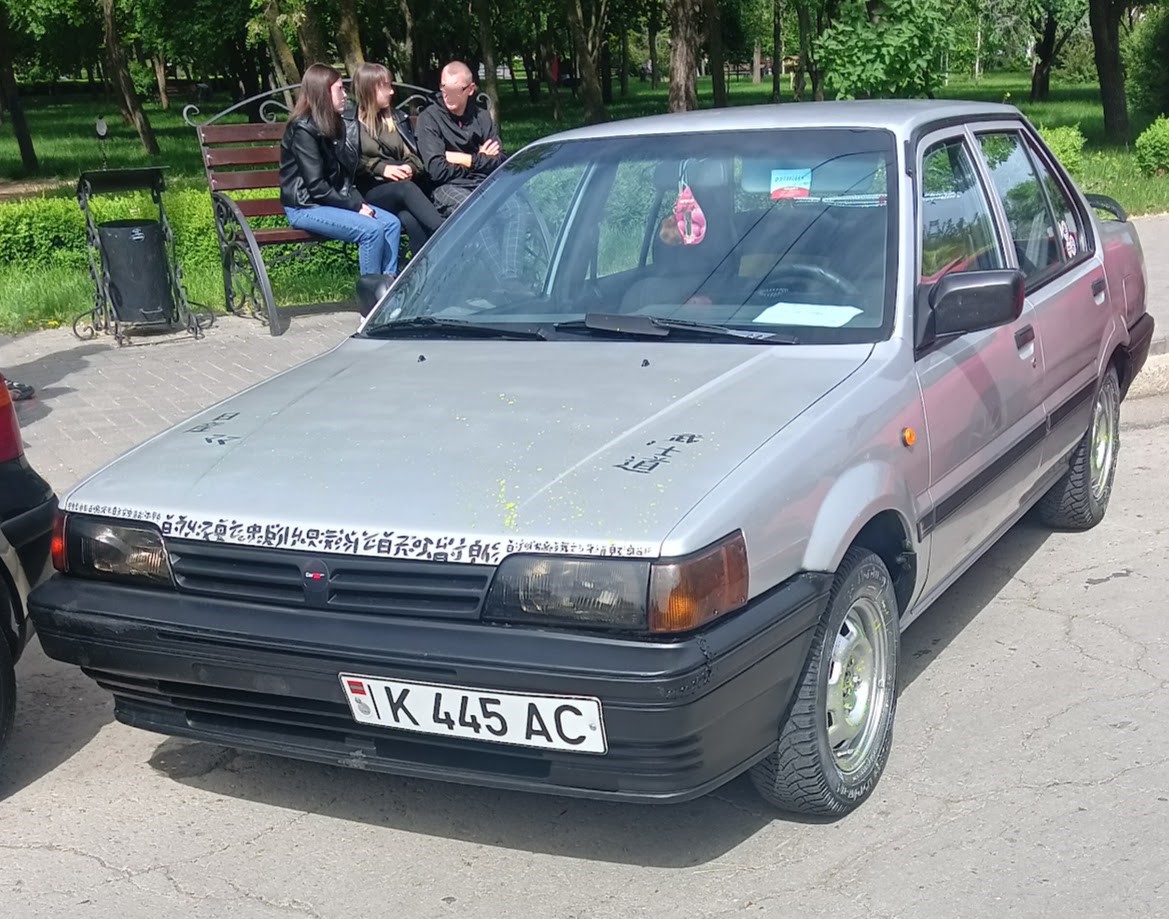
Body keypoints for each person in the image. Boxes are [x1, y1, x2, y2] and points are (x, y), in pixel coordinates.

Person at [279, 63, 402, 279]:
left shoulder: (336, 123)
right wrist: (355, 207)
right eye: (339, 89)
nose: (345, 95)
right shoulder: (303, 129)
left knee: (391, 224)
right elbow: (316, 187)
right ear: (322, 93)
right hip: (306, 206)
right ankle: (371, 304)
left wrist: (356, 202)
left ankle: (388, 293)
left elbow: (345, 174)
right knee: (371, 230)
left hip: (331, 201)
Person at [415, 61, 527, 282]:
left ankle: (512, 276)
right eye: (444, 88)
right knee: (475, 212)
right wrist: (479, 159)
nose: (448, 95)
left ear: (470, 89)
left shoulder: (481, 117)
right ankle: (503, 282)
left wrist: (462, 158)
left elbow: (499, 161)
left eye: (455, 90)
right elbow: (437, 170)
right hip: (447, 189)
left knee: (517, 210)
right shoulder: (430, 119)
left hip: (483, 183)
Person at [352, 62, 445, 250]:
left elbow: (417, 157)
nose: (392, 92)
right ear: (369, 89)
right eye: (386, 86)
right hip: (370, 191)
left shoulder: (397, 119)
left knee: (409, 219)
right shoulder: (350, 123)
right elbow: (348, 161)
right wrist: (382, 168)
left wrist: (409, 168)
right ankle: (448, 234)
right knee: (405, 189)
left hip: (402, 191)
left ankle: (419, 273)